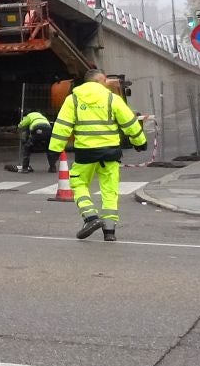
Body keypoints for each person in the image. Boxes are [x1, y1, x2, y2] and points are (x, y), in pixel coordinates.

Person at [47, 69, 147, 242]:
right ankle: (109, 231)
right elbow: (129, 122)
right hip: (110, 152)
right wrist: (140, 142)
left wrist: (54, 150)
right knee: (110, 190)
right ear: (102, 80)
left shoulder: (73, 100)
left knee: (78, 184)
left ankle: (91, 218)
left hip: (86, 152)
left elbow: (62, 126)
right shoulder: (112, 99)